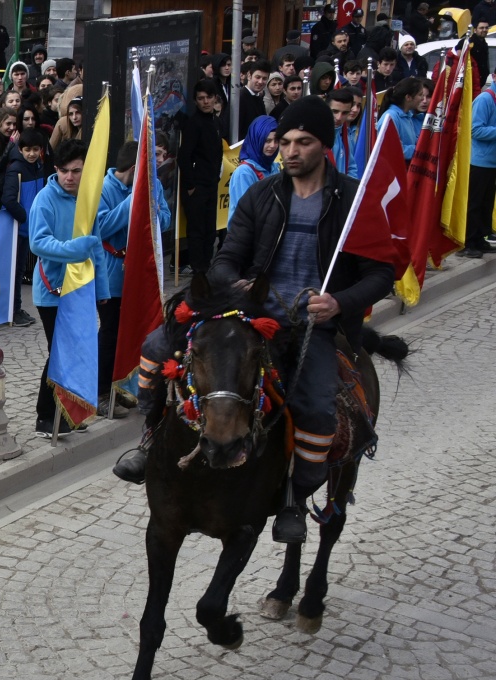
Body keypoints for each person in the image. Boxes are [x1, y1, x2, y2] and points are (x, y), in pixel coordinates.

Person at [117, 97, 394, 544]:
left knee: (319, 411)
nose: (290, 151)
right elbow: (227, 258)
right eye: (284, 142)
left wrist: (339, 302)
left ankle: (293, 498)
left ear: (324, 146)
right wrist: (237, 285)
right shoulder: (262, 194)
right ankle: (148, 440)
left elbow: (382, 272)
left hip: (311, 325)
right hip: (251, 312)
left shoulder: (352, 200)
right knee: (153, 348)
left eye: (303, 142)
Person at [27, 138, 103, 439]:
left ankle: (69, 412)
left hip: (80, 289)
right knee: (58, 353)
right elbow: (38, 243)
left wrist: (104, 290)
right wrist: (75, 250)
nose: (69, 177)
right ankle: (45, 416)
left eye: (76, 171)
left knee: (76, 351)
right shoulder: (45, 199)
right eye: (64, 171)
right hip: (52, 291)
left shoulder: (88, 198)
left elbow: (95, 249)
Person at [93, 140, 172, 417]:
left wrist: (150, 207)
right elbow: (100, 227)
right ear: (134, 168)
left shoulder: (153, 184)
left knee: (140, 331)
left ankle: (124, 386)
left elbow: (165, 220)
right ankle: (101, 392)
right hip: (112, 271)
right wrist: (133, 202)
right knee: (111, 332)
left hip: (141, 272)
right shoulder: (104, 188)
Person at [0, 128, 47, 328]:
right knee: (15, 271)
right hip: (17, 228)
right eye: (27, 149)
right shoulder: (16, 169)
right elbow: (9, 200)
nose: (31, 153)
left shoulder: (38, 166)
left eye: (35, 149)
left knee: (19, 270)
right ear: (20, 149)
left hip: (28, 227)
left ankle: (16, 308)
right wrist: (27, 218)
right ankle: (13, 309)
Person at [179, 79, 223, 274]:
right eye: (201, 98)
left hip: (211, 184)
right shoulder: (194, 124)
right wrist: (190, 185)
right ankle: (199, 269)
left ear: (215, 99)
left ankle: (206, 266)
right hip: (198, 186)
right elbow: (184, 156)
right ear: (196, 101)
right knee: (197, 231)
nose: (205, 102)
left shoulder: (214, 122)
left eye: (208, 98)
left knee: (210, 230)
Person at [463, 70, 496, 258]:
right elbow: (475, 129)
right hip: (479, 161)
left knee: (486, 203)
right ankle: (468, 242)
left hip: (491, 162)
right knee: (474, 203)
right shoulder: (485, 99)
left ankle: (480, 238)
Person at [228, 115, 279, 214]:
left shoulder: (273, 168)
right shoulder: (244, 173)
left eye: (276, 140)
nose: (273, 145)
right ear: (256, 140)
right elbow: (246, 214)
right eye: (267, 141)